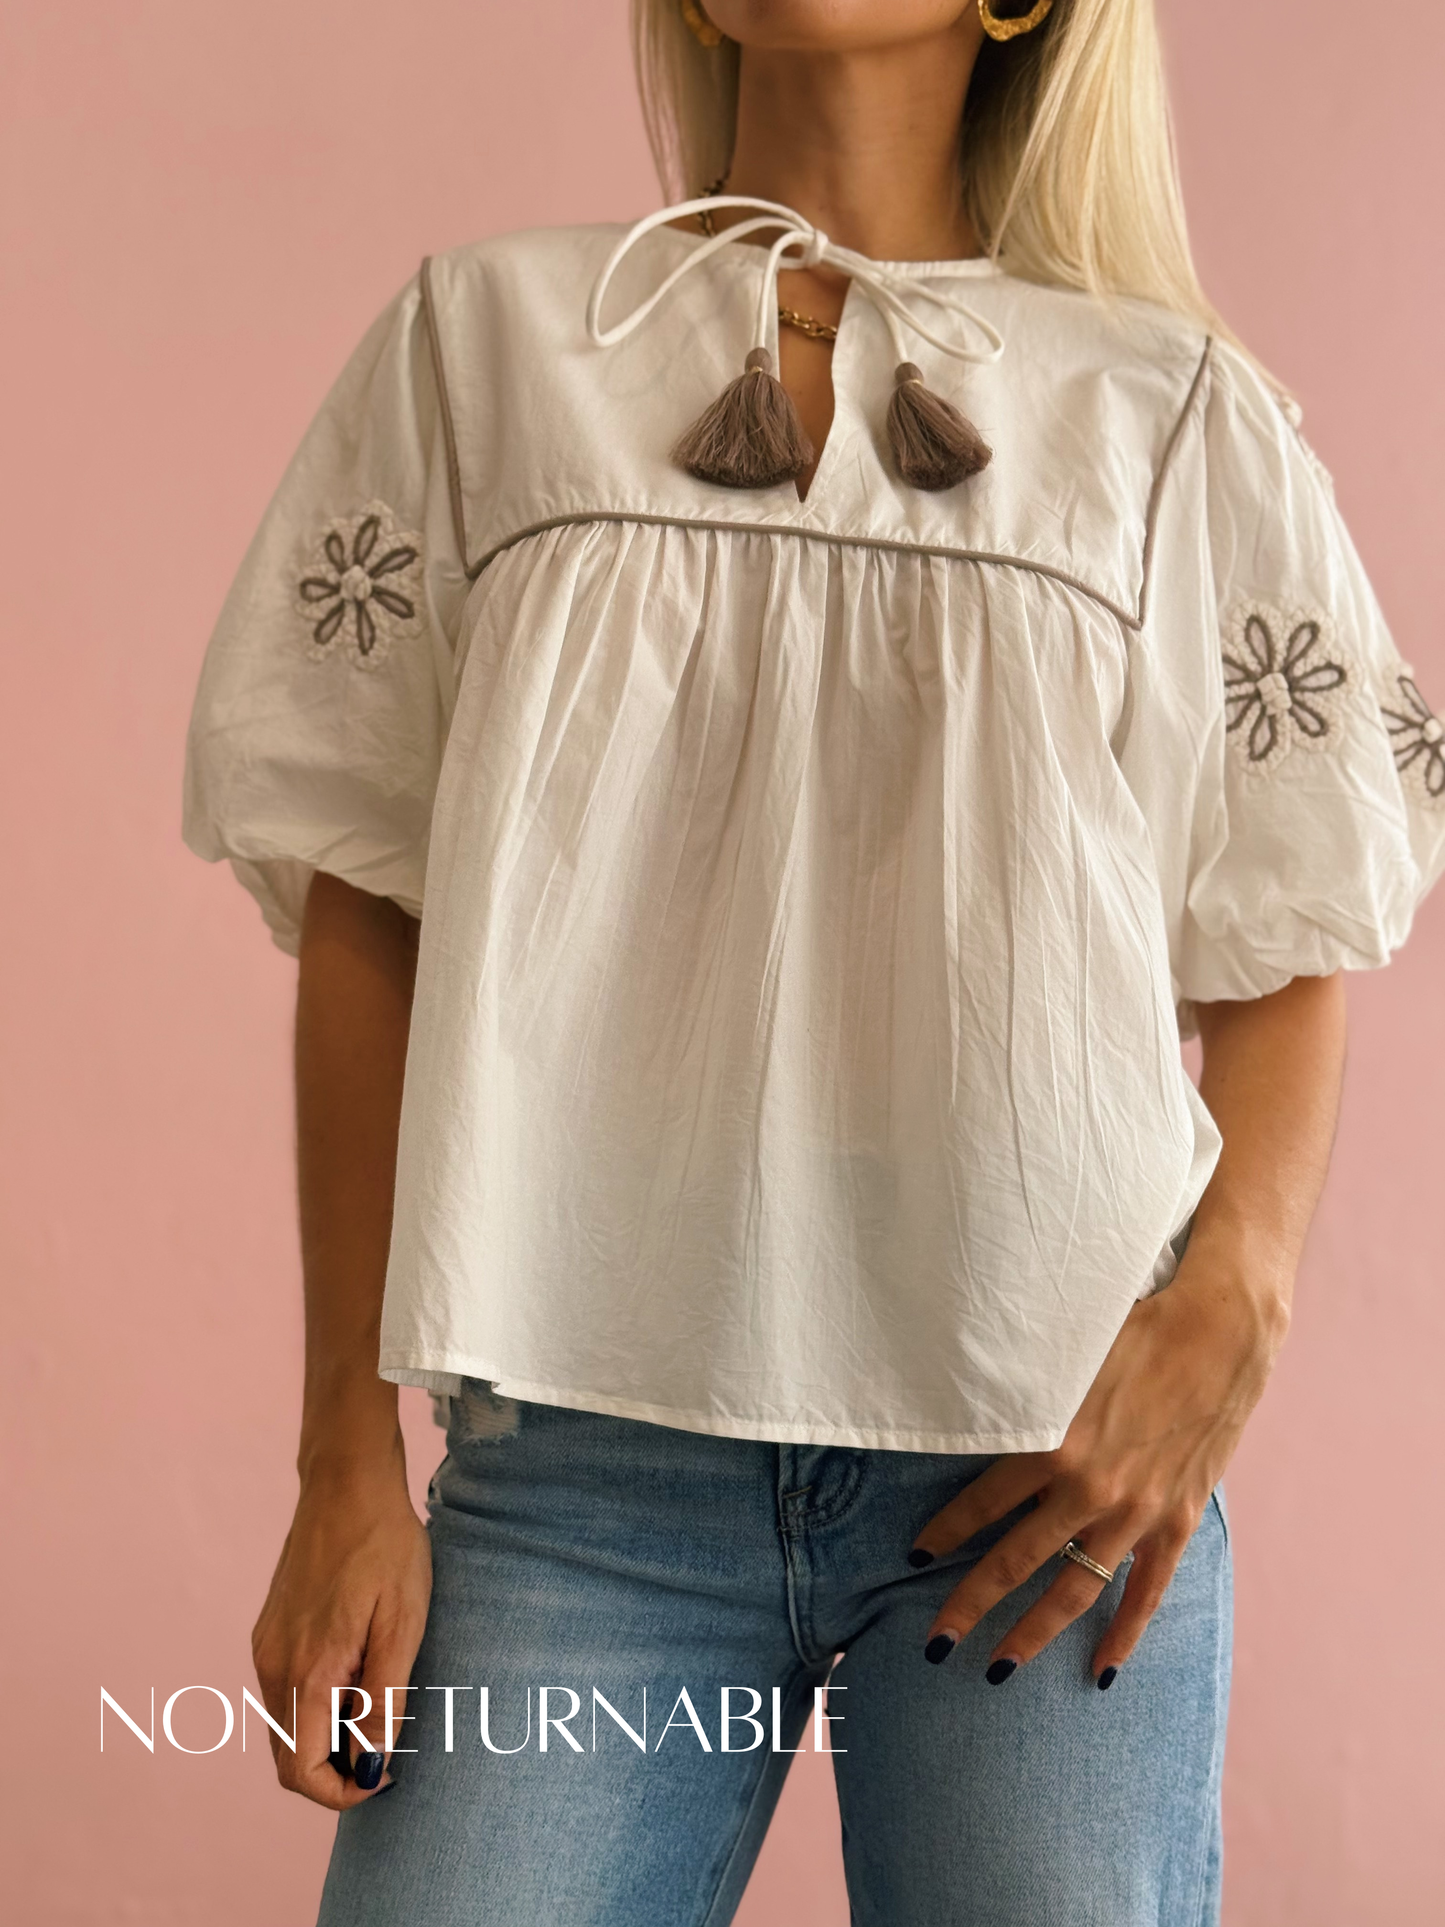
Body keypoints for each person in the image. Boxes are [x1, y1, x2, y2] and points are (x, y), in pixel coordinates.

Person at [181, 2, 1445, 1921]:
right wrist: (338, 1457)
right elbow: (372, 900)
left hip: (1043, 1471)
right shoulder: (489, 344)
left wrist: (1236, 1302)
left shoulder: (1167, 411)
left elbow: (1293, 922)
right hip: (586, 1474)